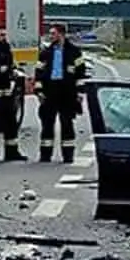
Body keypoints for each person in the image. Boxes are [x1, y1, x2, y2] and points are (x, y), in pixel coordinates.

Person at [34, 24, 88, 163]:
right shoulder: (46, 52)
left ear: (61, 34)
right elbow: (38, 73)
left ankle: (68, 155)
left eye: (53, 33)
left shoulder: (74, 52)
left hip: (67, 93)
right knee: (47, 125)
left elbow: (81, 74)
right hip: (49, 92)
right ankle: (45, 155)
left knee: (67, 124)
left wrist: (80, 94)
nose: (51, 36)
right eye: (50, 34)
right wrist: (39, 91)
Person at [0, 26, 24, 160]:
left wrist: (10, 70)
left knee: (11, 123)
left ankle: (12, 151)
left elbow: (10, 64)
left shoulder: (7, 48)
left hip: (7, 92)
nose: (4, 37)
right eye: (1, 35)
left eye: (5, 35)